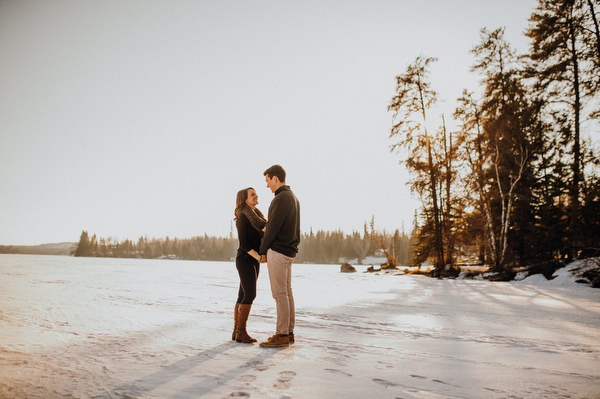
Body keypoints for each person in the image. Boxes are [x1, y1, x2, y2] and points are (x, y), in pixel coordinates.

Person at [258, 165, 300, 348]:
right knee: (287, 293)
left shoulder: (281, 198)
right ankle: (288, 332)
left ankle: (282, 334)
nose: (267, 185)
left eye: (267, 181)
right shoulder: (293, 197)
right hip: (289, 251)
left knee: (280, 293)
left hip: (279, 251)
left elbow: (272, 228)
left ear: (275, 178)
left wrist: (262, 251)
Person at [233, 187, 267, 344]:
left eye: (255, 194)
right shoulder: (242, 217)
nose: (256, 196)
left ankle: (236, 331)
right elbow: (245, 244)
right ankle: (241, 331)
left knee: (242, 295)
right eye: (252, 195)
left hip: (252, 260)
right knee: (250, 294)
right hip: (245, 258)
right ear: (244, 199)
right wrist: (259, 258)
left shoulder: (258, 217)